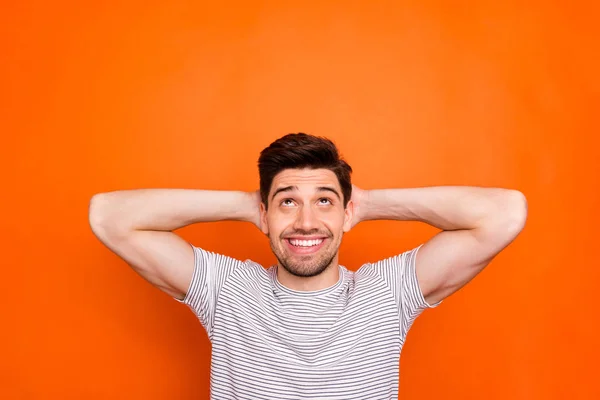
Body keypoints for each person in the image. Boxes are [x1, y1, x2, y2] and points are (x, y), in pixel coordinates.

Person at [88, 132, 527, 399]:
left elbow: (505, 213)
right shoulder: (228, 290)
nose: (305, 222)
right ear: (265, 214)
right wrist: (249, 205)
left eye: (324, 201)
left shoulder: (386, 293)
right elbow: (108, 216)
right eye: (287, 203)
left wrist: (366, 203)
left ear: (346, 213)